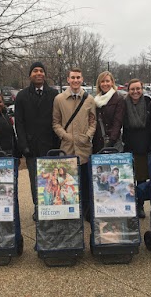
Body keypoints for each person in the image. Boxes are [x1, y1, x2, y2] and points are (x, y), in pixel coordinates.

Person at [14, 62, 59, 218]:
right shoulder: (22, 96)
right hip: (31, 146)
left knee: (52, 178)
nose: (38, 73)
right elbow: (19, 123)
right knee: (35, 179)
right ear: (30, 75)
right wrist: (23, 145)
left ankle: (52, 205)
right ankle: (38, 206)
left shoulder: (54, 94)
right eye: (35, 71)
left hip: (50, 145)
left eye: (41, 70)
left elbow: (58, 119)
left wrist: (58, 144)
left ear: (45, 74)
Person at [53, 67, 96, 221]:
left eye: (78, 77)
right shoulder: (59, 99)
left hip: (84, 148)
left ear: (82, 79)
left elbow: (93, 121)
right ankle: (70, 212)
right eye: (73, 77)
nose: (76, 80)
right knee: (67, 184)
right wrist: (66, 136)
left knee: (85, 183)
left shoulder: (89, 99)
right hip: (67, 148)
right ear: (68, 79)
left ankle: (86, 211)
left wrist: (88, 135)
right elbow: (56, 123)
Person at [122, 79, 151, 218]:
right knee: (127, 180)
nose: (135, 92)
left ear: (142, 88)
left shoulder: (148, 102)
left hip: (143, 146)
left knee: (140, 180)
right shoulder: (123, 103)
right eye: (132, 89)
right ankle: (128, 205)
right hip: (127, 145)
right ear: (128, 90)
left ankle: (140, 206)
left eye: (138, 88)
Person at [92, 71, 124, 153]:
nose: (105, 84)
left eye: (107, 81)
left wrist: (111, 141)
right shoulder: (96, 100)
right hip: (98, 141)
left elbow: (118, 122)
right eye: (102, 81)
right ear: (99, 84)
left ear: (112, 82)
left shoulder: (118, 99)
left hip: (112, 142)